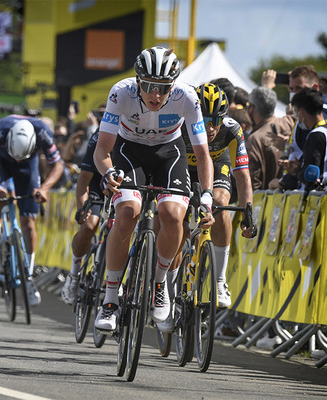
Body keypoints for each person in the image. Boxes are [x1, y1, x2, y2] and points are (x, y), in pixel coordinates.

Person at [93, 46, 215, 332]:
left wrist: (207, 196)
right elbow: (102, 149)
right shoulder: (120, 92)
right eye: (148, 86)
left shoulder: (187, 97)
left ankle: (160, 283)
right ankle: (110, 300)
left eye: (162, 88)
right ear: (137, 81)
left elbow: (203, 154)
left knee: (173, 215)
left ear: (173, 85)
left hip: (168, 153)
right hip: (128, 151)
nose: (154, 94)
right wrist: (109, 172)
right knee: (127, 213)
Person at [0, 115, 64, 306]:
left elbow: (58, 165)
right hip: (1, 161)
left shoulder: (43, 133)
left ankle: (29, 276)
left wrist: (44, 189)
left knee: (28, 222)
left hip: (28, 164)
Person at [185, 83, 255, 308]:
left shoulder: (232, 130)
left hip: (216, 165)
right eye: (205, 121)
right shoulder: (180, 124)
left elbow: (243, 177)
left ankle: (219, 280)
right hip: (184, 168)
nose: (211, 127)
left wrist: (248, 215)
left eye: (217, 120)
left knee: (221, 204)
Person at [61, 130, 104, 305]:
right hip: (96, 183)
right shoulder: (99, 137)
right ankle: (74, 274)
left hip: (124, 185)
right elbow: (84, 179)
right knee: (89, 225)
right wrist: (82, 209)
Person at [245, 87, 294, 190]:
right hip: (293, 198)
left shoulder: (254, 139)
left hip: (266, 202)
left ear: (252, 108)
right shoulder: (290, 123)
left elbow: (252, 182)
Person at [290, 87, 327, 185]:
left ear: (301, 113)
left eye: (296, 112)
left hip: (322, 197)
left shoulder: (316, 135)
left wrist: (295, 171)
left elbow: (311, 176)